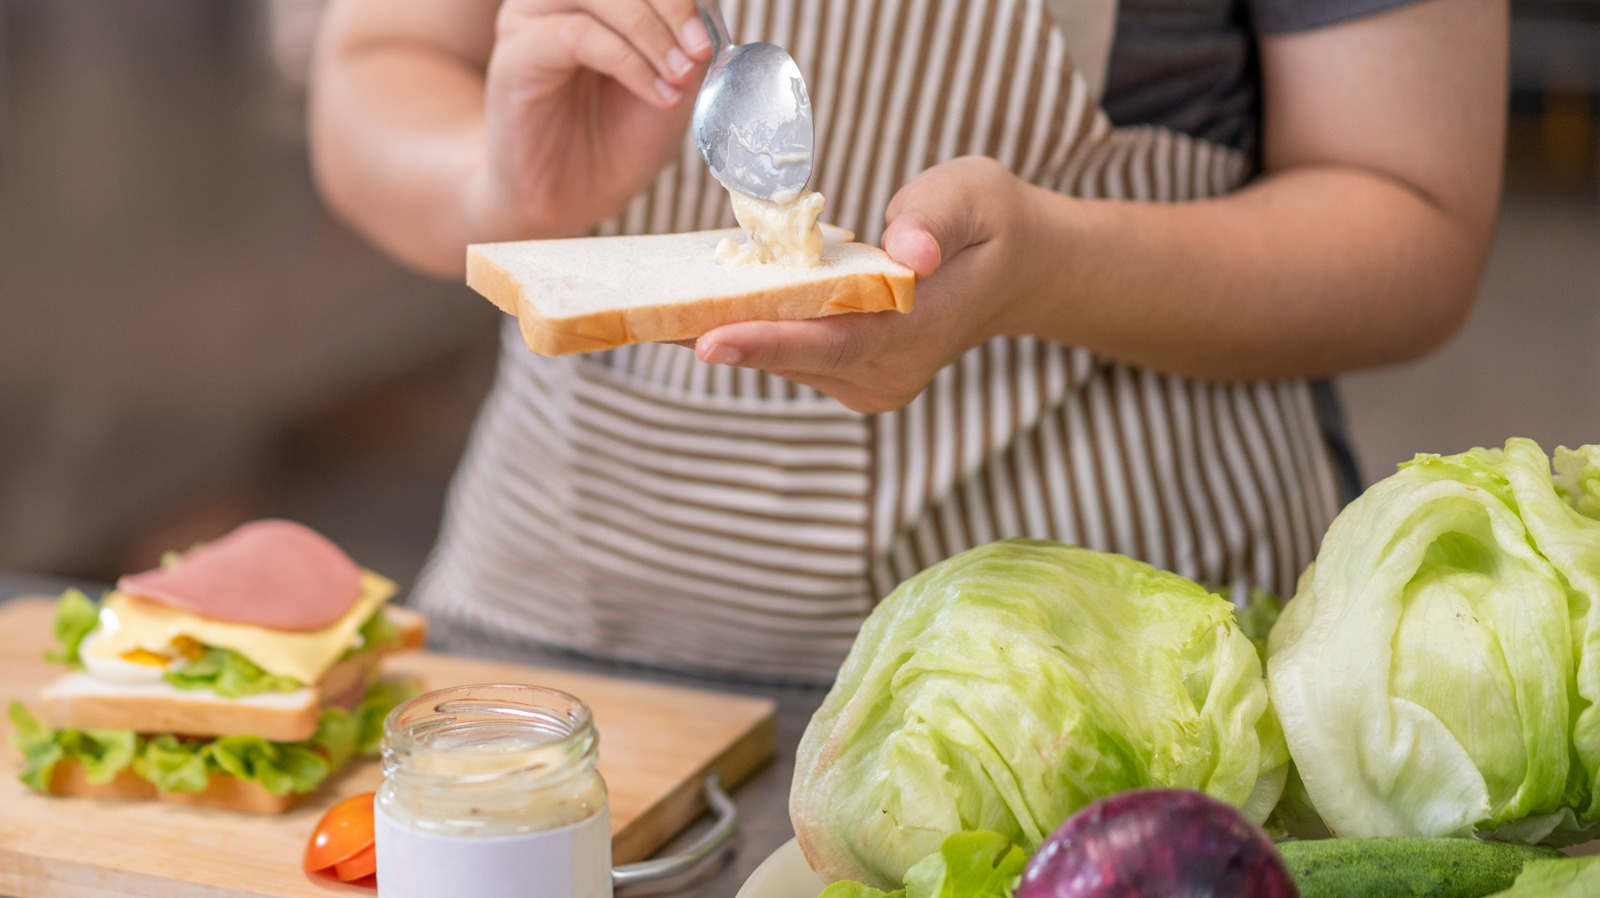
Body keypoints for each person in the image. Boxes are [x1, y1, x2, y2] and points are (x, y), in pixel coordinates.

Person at [308, 0, 1506, 682]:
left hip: (1100, 687)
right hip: (564, 662)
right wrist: (501, 188)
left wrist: (1050, 268)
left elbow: (1413, 216)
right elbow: (378, 64)